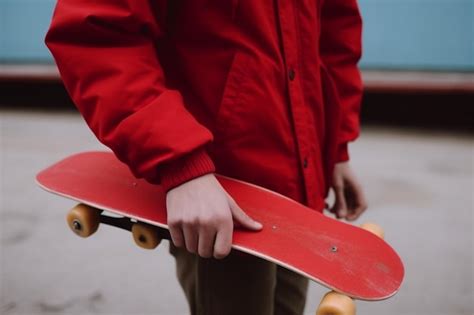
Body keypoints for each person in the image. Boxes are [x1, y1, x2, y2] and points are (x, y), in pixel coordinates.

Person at [46, 1, 367, 314]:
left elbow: (335, 31)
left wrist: (335, 145)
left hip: (295, 191)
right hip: (215, 199)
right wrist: (181, 164)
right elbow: (98, 35)